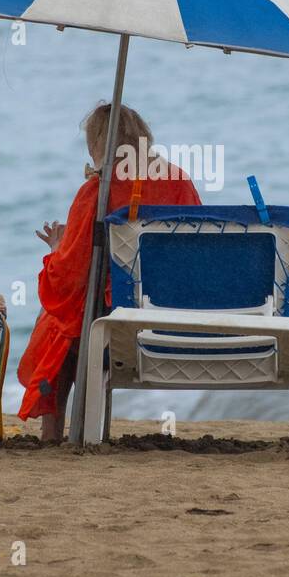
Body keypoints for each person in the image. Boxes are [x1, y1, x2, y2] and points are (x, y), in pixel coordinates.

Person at [18, 102, 201, 441]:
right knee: (72, 316)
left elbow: (69, 278)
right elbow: (194, 254)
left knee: (60, 320)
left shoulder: (96, 193)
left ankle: (53, 433)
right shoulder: (178, 181)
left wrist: (57, 250)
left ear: (97, 147)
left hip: (115, 323)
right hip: (175, 314)